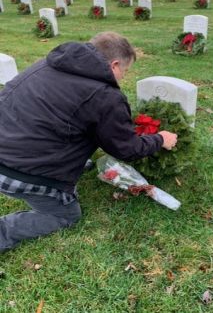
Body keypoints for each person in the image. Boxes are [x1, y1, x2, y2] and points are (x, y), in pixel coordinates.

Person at [0, 32, 178, 253]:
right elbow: (126, 148)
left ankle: (68, 165)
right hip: (16, 173)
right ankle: (4, 232)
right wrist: (161, 139)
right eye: (125, 71)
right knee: (65, 216)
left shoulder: (46, 65)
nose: (123, 77)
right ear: (114, 65)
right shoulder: (104, 96)